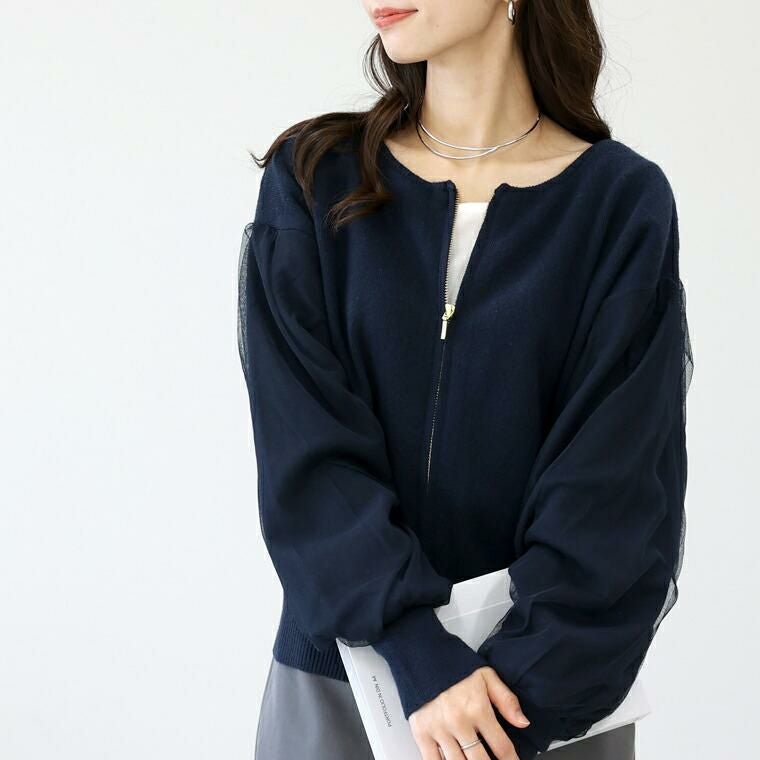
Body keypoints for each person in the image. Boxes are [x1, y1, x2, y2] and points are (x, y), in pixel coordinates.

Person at [237, 1, 693, 758]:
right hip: (346, 683)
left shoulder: (619, 203)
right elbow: (305, 457)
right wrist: (419, 656)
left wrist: (509, 711)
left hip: (543, 701)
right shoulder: (317, 178)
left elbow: (616, 484)